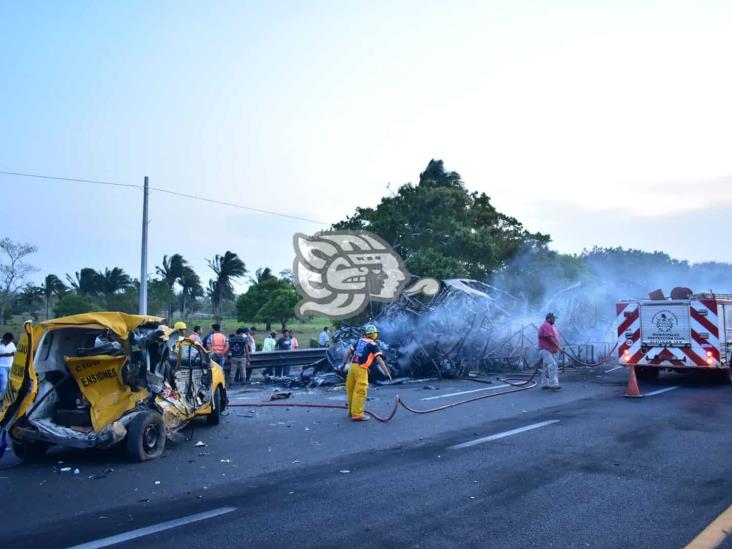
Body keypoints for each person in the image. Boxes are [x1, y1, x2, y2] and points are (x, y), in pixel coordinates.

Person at [340, 324, 391, 421]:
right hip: (361, 369)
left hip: (352, 367)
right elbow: (379, 359)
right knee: (360, 391)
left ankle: (351, 411)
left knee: (351, 389)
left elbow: (348, 352)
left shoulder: (359, 340)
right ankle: (358, 414)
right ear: (374, 334)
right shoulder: (373, 344)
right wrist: (386, 372)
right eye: (376, 333)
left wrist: (343, 364)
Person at [538, 312, 564, 391]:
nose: (554, 320)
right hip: (546, 350)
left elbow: (553, 338)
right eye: (553, 318)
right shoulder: (546, 325)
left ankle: (545, 384)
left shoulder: (551, 326)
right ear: (549, 318)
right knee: (553, 365)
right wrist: (559, 348)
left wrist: (556, 348)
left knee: (546, 367)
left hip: (549, 350)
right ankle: (554, 384)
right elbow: (550, 338)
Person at [0, 332, 16, 398]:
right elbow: (10, 354)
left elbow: (15, 352)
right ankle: (2, 398)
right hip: (1, 366)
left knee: (12, 383)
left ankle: (7, 397)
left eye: (10, 341)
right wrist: (7, 355)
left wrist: (13, 354)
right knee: (4, 383)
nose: (9, 342)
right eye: (8, 341)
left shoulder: (12, 344)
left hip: (11, 366)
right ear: (4, 339)